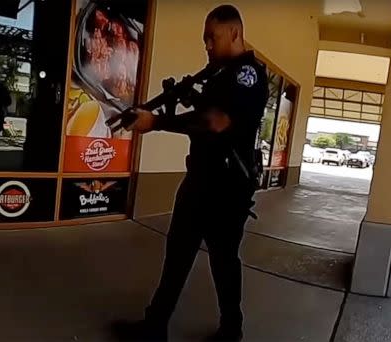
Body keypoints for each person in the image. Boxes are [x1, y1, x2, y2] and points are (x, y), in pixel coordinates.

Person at [111, 5, 269, 341]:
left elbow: (215, 123)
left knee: (223, 262)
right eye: (204, 40)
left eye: (212, 38)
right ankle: (155, 326)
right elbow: (207, 114)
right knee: (177, 257)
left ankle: (231, 328)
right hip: (199, 181)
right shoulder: (217, 74)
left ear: (235, 33)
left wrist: (157, 122)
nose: (208, 46)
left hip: (227, 190)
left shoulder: (248, 75)